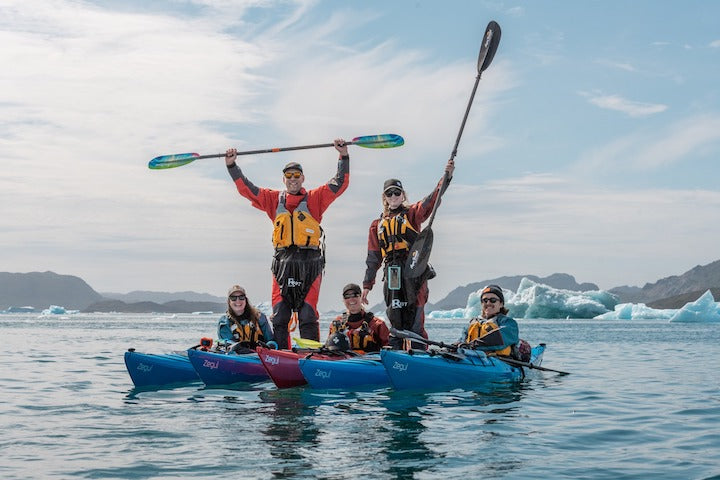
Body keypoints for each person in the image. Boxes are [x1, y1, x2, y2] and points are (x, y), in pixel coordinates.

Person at [224, 139, 349, 349]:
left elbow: (339, 183)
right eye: (289, 176)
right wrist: (232, 166)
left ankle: (310, 354)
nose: (293, 179)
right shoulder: (273, 199)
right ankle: (281, 356)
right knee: (280, 314)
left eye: (296, 175)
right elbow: (247, 189)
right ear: (283, 179)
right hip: (282, 264)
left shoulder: (315, 198)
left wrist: (343, 156)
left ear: (302, 178)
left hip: (310, 262)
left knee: (308, 314)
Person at [361, 159, 455, 349]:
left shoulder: (413, 214)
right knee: (395, 317)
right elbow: (373, 257)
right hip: (392, 272)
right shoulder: (376, 225)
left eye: (397, 192)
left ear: (403, 195)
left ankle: (419, 353)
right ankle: (396, 355)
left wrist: (447, 176)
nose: (394, 196)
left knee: (414, 318)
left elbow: (432, 200)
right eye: (390, 193)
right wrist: (367, 285)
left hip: (413, 271)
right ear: (384, 197)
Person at [457, 284, 525, 359]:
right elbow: (461, 341)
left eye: (493, 300)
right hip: (473, 357)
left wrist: (472, 346)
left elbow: (499, 338)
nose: (488, 303)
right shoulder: (472, 323)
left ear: (501, 304)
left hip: (500, 361)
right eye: (485, 300)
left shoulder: (509, 323)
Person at [326, 283, 390, 352]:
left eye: (355, 295)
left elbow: (390, 351)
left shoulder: (377, 325)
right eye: (347, 296)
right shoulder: (336, 324)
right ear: (343, 300)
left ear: (361, 297)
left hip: (369, 361)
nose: (351, 299)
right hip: (342, 361)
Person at [217, 285, 277, 351]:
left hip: (259, 356)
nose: (238, 301)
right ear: (229, 302)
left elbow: (271, 340)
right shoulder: (224, 322)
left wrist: (271, 345)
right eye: (233, 298)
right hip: (236, 357)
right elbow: (226, 343)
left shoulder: (259, 317)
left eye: (241, 297)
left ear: (246, 300)